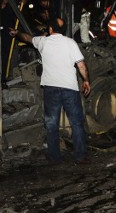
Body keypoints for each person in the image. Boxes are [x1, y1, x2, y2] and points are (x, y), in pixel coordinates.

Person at [9, 18, 91, 165]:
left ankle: (55, 157)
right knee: (76, 123)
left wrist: (17, 33)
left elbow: (27, 38)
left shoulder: (43, 42)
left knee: (51, 124)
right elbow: (81, 65)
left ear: (51, 30)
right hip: (70, 88)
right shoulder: (70, 43)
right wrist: (86, 81)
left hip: (51, 88)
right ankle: (80, 156)